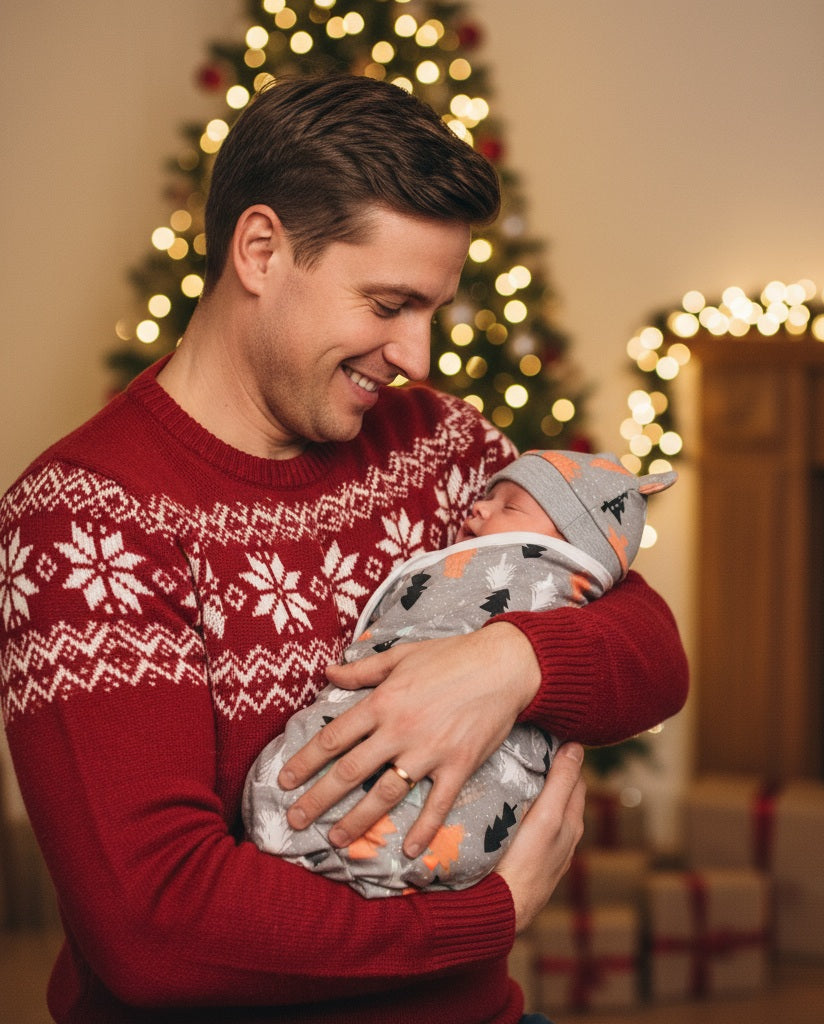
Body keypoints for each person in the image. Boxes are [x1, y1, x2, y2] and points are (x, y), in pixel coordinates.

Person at [0, 74, 688, 1023]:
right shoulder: (85, 521)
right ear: (261, 250)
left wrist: (507, 664)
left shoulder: (437, 444)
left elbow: (652, 651)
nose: (419, 357)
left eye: (433, 310)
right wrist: (486, 917)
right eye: (388, 304)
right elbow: (156, 930)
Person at [244, 449, 676, 897]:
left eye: (510, 506)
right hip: (316, 893)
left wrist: (517, 657)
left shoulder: (466, 444)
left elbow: (661, 655)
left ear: (573, 546)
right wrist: (503, 906)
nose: (479, 507)